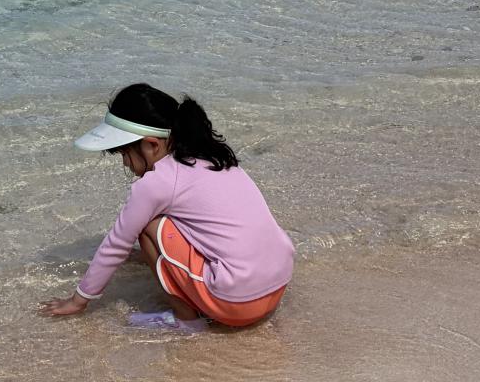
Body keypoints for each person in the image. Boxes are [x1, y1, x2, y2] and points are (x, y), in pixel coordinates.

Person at [41, 82, 294, 328]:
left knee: (147, 224)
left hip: (236, 305)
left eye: (125, 154)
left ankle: (187, 319)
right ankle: (168, 268)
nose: (125, 163)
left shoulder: (157, 182)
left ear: (151, 145)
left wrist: (78, 301)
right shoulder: (215, 157)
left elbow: (116, 244)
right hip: (276, 289)